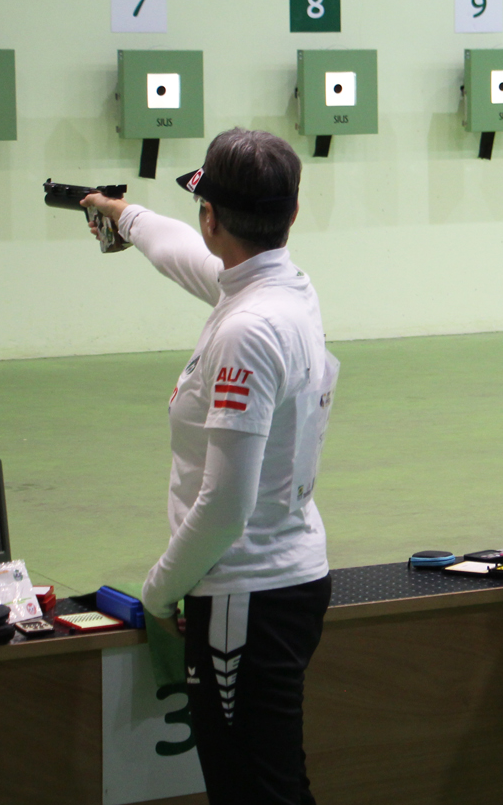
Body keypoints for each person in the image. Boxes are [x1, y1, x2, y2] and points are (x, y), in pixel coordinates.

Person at [82, 128, 338, 805]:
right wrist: (121, 214)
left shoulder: (246, 330)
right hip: (280, 582)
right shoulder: (279, 291)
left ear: (211, 217)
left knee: (254, 790)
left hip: (245, 598)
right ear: (292, 213)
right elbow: (180, 255)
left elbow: (227, 504)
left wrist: (161, 593)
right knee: (271, 781)